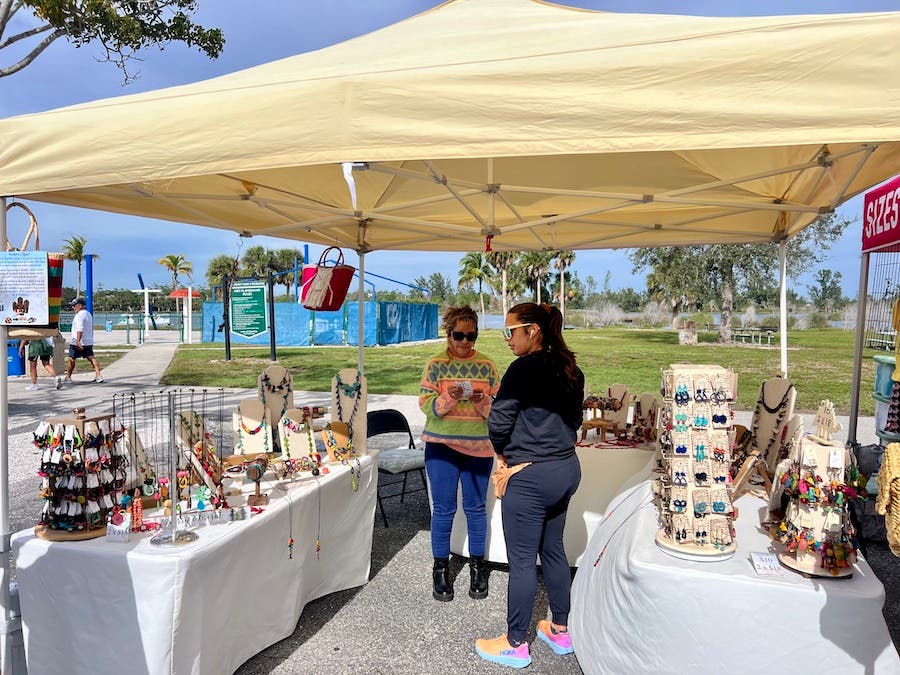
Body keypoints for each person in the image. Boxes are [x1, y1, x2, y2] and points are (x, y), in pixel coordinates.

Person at [476, 302, 584, 669]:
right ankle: (560, 629)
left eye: (510, 331)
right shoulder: (572, 369)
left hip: (531, 475)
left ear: (532, 331)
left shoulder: (522, 369)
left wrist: (506, 455)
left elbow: (498, 422)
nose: (507, 339)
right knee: (553, 549)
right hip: (565, 469)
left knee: (522, 561)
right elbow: (574, 421)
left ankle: (514, 643)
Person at [419, 306, 500, 602]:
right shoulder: (436, 365)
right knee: (443, 509)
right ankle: (440, 567)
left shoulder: (488, 366)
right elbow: (426, 406)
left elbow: (498, 411)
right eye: (459, 335)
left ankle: (478, 566)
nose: (466, 342)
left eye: (471, 335)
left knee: (476, 509)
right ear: (448, 333)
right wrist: (447, 398)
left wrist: (482, 402)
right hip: (441, 447)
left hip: (479, 447)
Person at [64, 297, 103, 383]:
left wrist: (78, 341)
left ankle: (68, 377)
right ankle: (98, 375)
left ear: (80, 306)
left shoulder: (79, 316)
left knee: (71, 358)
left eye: (74, 306)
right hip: (88, 341)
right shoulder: (88, 314)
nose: (73, 308)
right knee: (91, 358)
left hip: (77, 341)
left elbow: (80, 329)